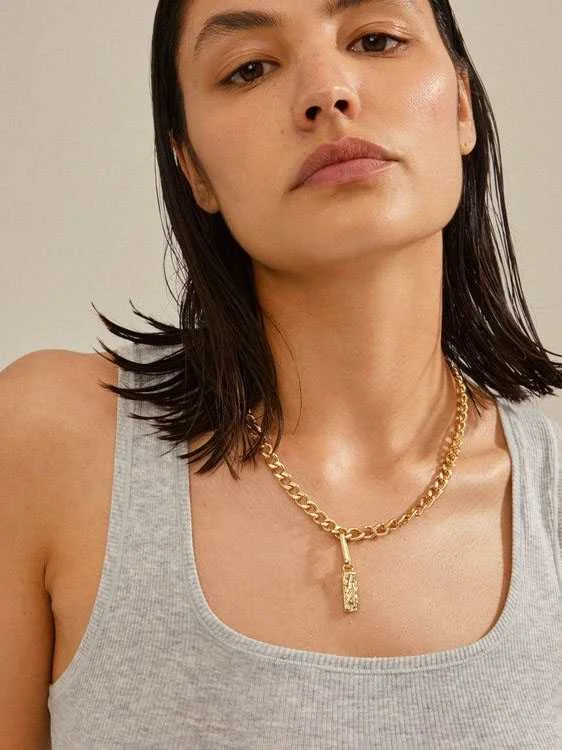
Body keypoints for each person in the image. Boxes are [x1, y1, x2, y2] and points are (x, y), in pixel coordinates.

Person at [2, 0, 562, 746]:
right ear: (193, 167)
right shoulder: (49, 443)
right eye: (250, 69)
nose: (328, 92)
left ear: (462, 105)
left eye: (376, 39)